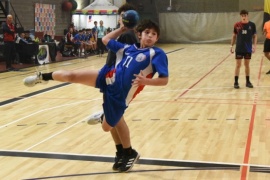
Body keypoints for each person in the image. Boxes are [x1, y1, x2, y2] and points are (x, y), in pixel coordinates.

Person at [23, 18, 169, 172]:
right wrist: (121, 29)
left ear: (157, 38)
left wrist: (145, 81)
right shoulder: (128, 48)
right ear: (139, 34)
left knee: (108, 126)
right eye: (147, 32)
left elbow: (164, 80)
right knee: (72, 76)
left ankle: (126, 150)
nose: (150, 36)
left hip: (120, 95)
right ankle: (42, 77)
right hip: (107, 78)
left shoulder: (156, 53)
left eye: (153, 34)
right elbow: (105, 39)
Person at [87, 3, 139, 171]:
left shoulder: (129, 35)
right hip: (109, 79)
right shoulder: (117, 34)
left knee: (117, 118)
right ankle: (120, 152)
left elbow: (131, 62)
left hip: (118, 82)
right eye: (122, 15)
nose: (123, 20)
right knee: (113, 119)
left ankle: (129, 152)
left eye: (127, 17)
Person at [230, 9, 257, 89]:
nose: (244, 17)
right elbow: (234, 36)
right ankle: (236, 82)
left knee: (247, 65)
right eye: (242, 16)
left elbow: (255, 36)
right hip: (239, 48)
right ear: (240, 16)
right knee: (238, 65)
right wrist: (231, 46)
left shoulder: (252, 25)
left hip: (248, 49)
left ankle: (248, 82)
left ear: (247, 16)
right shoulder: (237, 25)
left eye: (245, 15)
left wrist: (254, 46)